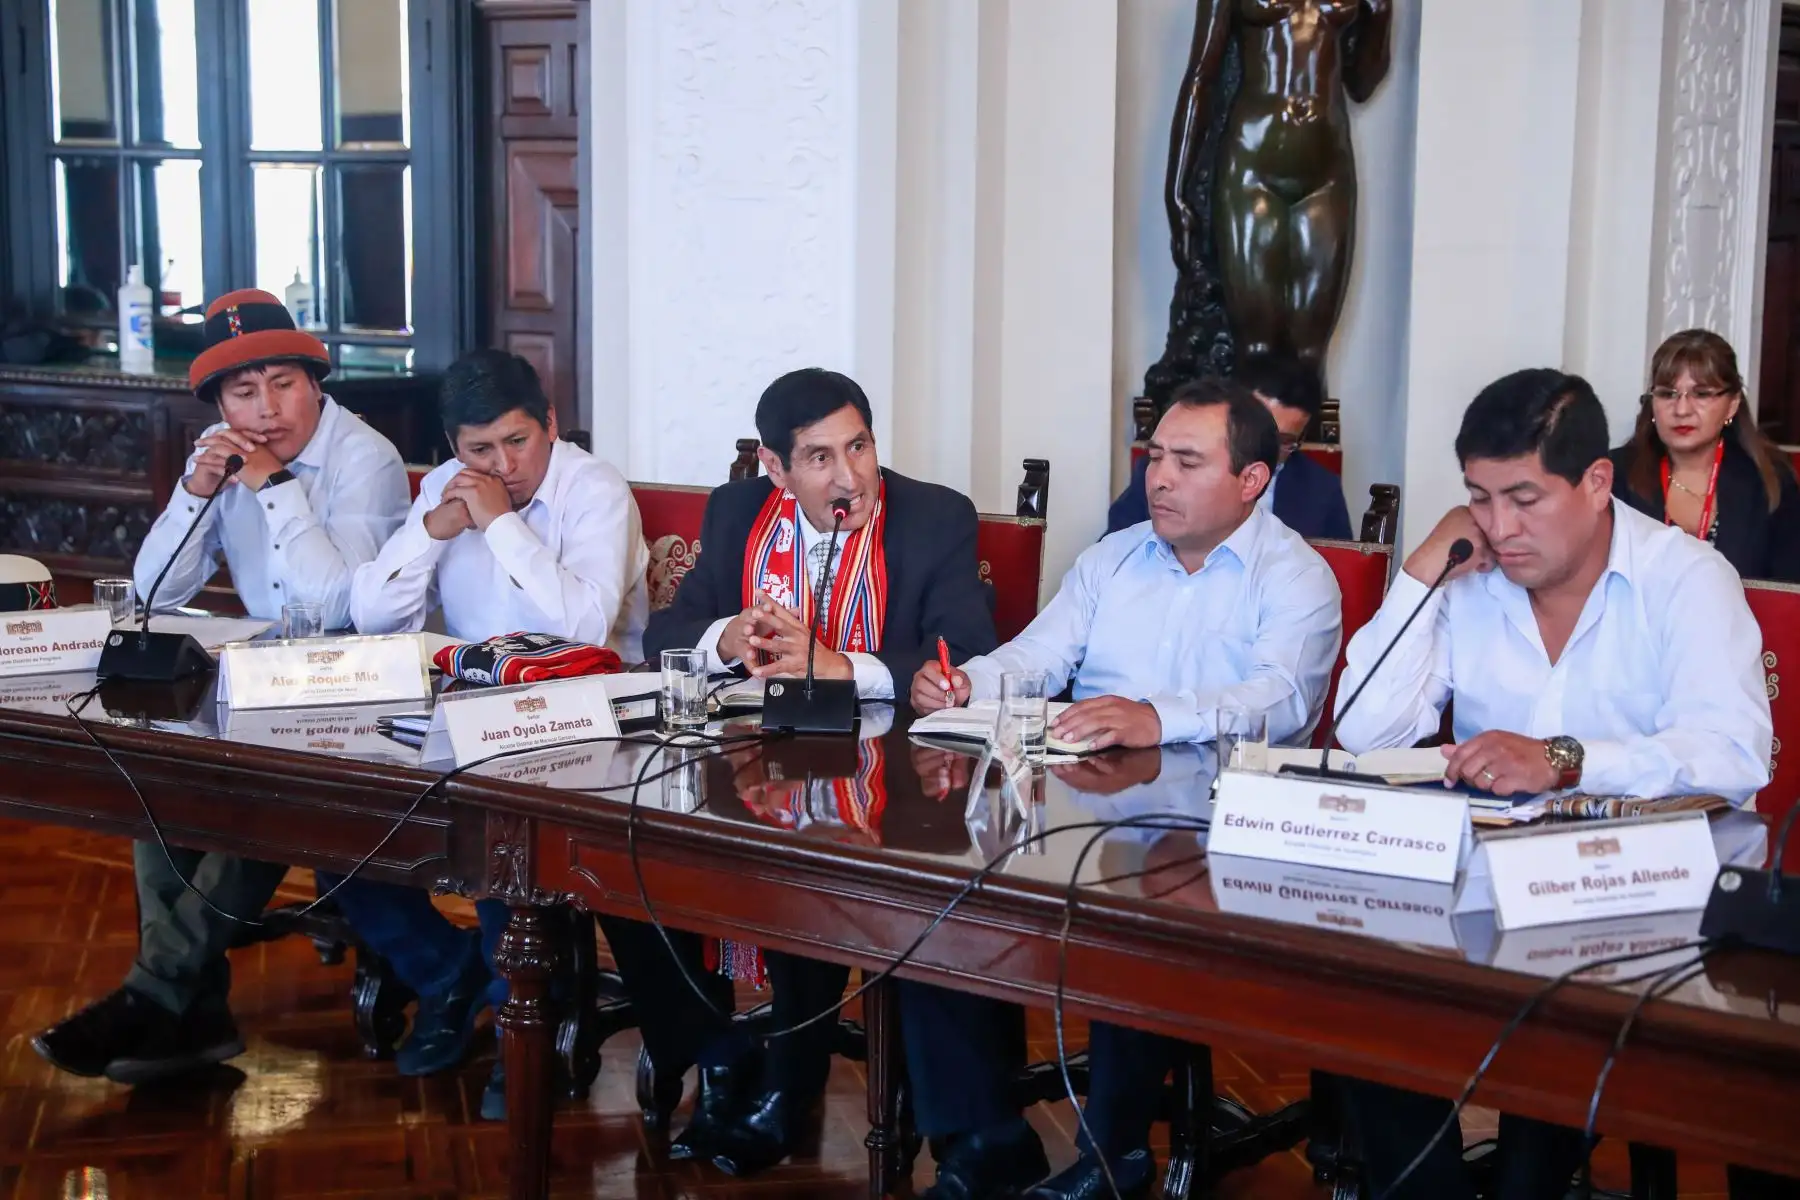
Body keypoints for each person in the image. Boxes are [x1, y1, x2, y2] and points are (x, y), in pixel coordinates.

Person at [1332, 368, 1772, 1200]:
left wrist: (1565, 757)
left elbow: (1735, 754)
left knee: (1563, 1018)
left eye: (1525, 499)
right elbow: (1364, 726)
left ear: (1596, 482)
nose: (1501, 527)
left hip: (1640, 905)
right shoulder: (1472, 577)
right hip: (1489, 892)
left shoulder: (1687, 580)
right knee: (1367, 991)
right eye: (1480, 498)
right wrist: (1428, 565)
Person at [909, 375, 1343, 1199]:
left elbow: (1281, 704)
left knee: (1132, 912)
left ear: (1252, 481)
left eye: (1187, 461)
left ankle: (1113, 1160)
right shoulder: (1113, 558)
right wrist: (968, 684)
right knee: (937, 892)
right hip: (1079, 807)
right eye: (1155, 459)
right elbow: (1036, 657)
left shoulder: (1296, 577)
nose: (1159, 478)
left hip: (1216, 835)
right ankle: (985, 1144)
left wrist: (1156, 714)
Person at [600, 367, 997, 1177]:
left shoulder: (932, 516)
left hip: (890, 773)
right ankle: (715, 1052)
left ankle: (790, 1084)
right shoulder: (739, 509)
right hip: (746, 755)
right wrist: (726, 634)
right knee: (626, 854)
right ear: (777, 470)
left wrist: (841, 665)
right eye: (819, 457)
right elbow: (668, 630)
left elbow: (968, 649)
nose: (849, 475)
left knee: (806, 845)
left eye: (859, 446)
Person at [32, 288, 409, 1084]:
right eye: (244, 392)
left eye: (282, 384)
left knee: (252, 802)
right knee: (155, 779)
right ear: (221, 403)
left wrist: (275, 487)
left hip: (366, 684)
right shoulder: (222, 451)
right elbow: (153, 591)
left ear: (315, 380)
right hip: (265, 674)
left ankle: (156, 998)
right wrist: (196, 493)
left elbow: (337, 604)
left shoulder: (362, 457)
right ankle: (189, 1014)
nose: (267, 408)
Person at [325, 348, 650, 1119]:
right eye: (479, 451)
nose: (501, 466)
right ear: (451, 448)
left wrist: (501, 527)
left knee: (499, 829)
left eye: (517, 443)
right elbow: (373, 616)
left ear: (550, 426)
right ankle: (447, 973)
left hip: (589, 718)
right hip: (465, 706)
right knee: (341, 822)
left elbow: (581, 625)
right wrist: (432, 530)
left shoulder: (595, 489)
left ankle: (520, 1035)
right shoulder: (445, 489)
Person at [1610, 328, 1800, 583]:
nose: (1682, 409)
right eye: (1668, 394)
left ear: (1731, 405)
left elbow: (1786, 595)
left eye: (1701, 394)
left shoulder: (1771, 481)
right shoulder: (1615, 475)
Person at [1108, 352, 1352, 540]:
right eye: (1255, 427)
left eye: (1282, 440)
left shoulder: (1321, 490)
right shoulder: (1164, 472)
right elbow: (1113, 551)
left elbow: (1340, 575)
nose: (1263, 444)